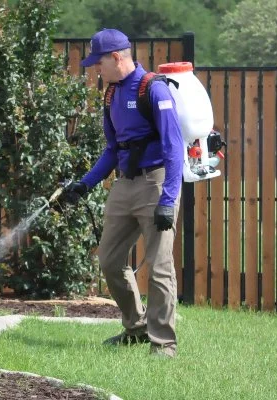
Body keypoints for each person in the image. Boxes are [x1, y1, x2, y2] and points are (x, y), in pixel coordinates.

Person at [57, 28, 183, 358]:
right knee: (110, 261)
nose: (95, 70)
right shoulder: (111, 95)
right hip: (124, 184)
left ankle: (163, 343)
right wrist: (85, 184)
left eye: (98, 63)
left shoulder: (153, 89)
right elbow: (113, 149)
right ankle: (136, 328)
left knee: (158, 267)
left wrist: (168, 199)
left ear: (116, 58)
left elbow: (174, 147)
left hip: (156, 184)